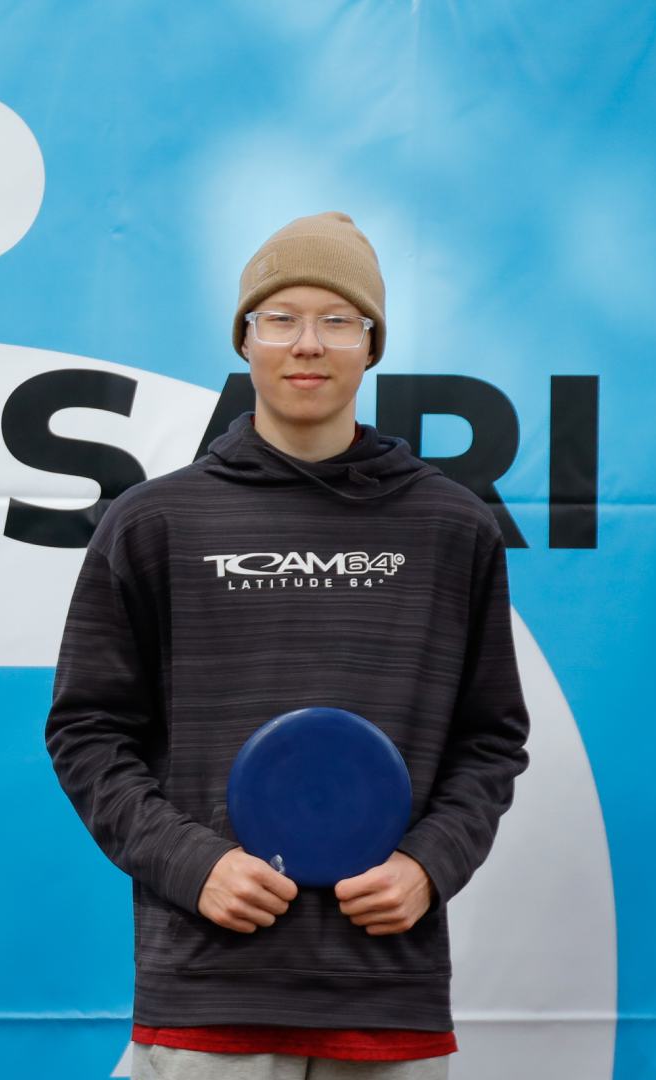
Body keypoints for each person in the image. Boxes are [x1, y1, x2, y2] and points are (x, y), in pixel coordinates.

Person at [46, 212, 529, 1078]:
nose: (308, 343)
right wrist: (193, 865)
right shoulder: (155, 523)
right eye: (281, 318)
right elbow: (87, 732)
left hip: (388, 999)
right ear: (245, 337)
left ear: (372, 343)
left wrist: (428, 865)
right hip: (206, 997)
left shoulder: (451, 527)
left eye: (338, 319)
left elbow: (490, 739)